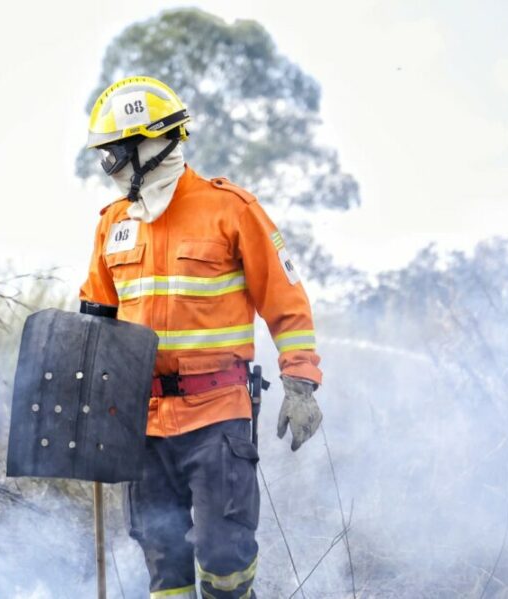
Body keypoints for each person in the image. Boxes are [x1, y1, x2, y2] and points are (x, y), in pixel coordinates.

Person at [79, 76, 324, 599]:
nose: (111, 167)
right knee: (164, 562)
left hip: (217, 415)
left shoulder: (230, 210)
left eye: (116, 153)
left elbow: (287, 302)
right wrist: (89, 399)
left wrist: (300, 383)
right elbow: (96, 318)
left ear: (153, 143)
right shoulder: (113, 224)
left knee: (223, 556)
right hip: (142, 422)